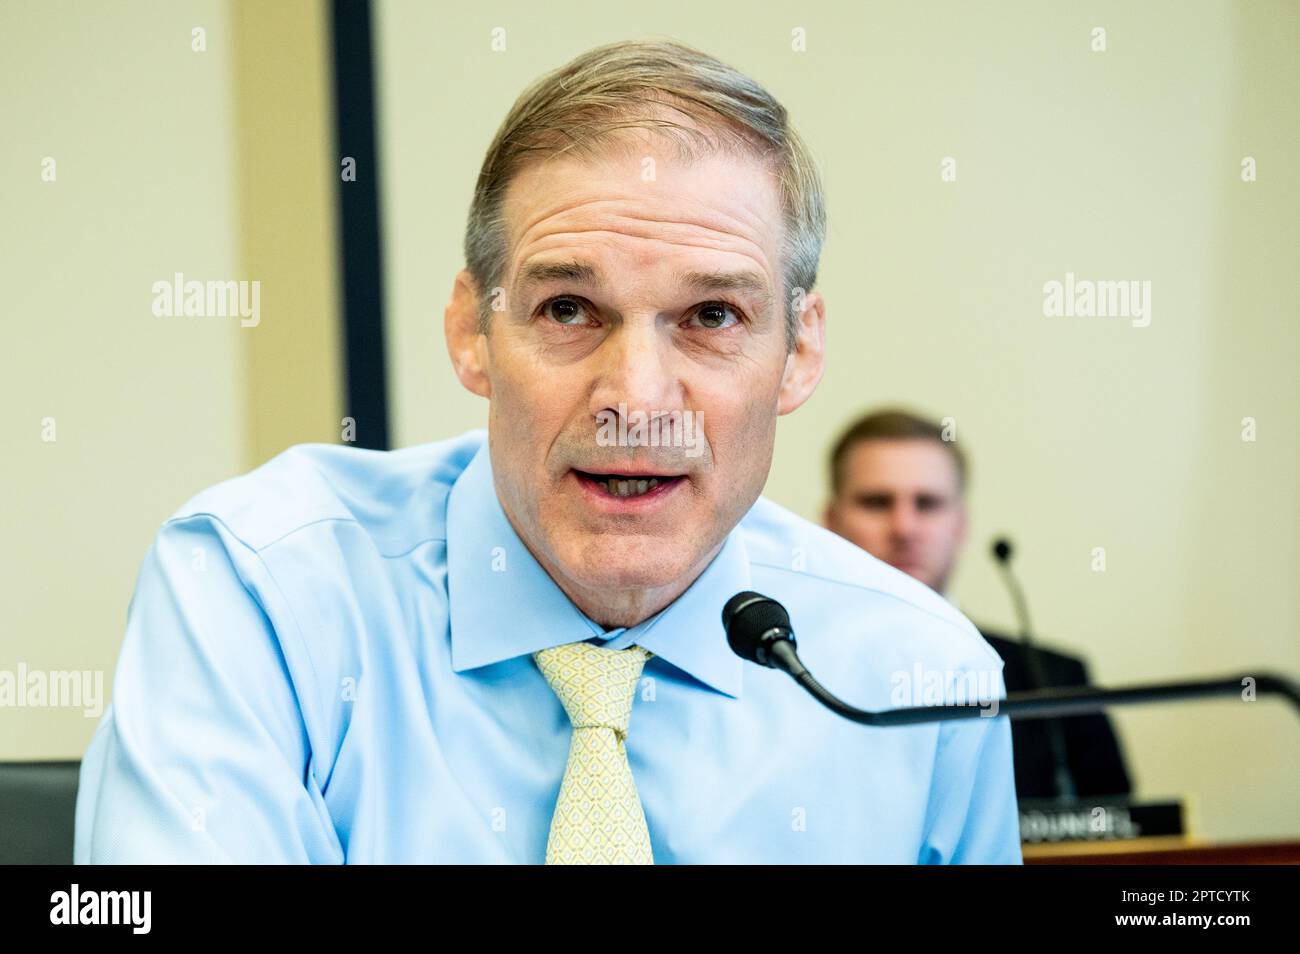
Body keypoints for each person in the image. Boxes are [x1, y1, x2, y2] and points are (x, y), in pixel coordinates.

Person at [74, 40, 1020, 864]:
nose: (638, 400)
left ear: (798, 352)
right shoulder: (259, 595)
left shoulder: (921, 681)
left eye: (713, 316)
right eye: (568, 309)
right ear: (469, 331)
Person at [823, 409, 1134, 801]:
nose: (904, 527)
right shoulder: (776, 670)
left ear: (960, 525)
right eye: (877, 502)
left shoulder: (1053, 682)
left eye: (928, 503)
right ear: (830, 522)